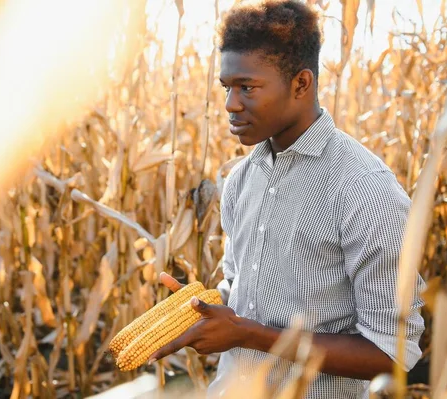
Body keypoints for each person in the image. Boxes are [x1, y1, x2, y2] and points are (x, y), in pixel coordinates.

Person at [147, 1, 425, 398]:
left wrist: (252, 335)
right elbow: (242, 289)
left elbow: (390, 353)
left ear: (301, 84)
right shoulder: (242, 179)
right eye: (227, 88)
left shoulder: (364, 189)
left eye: (248, 87)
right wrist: (199, 308)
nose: (230, 104)